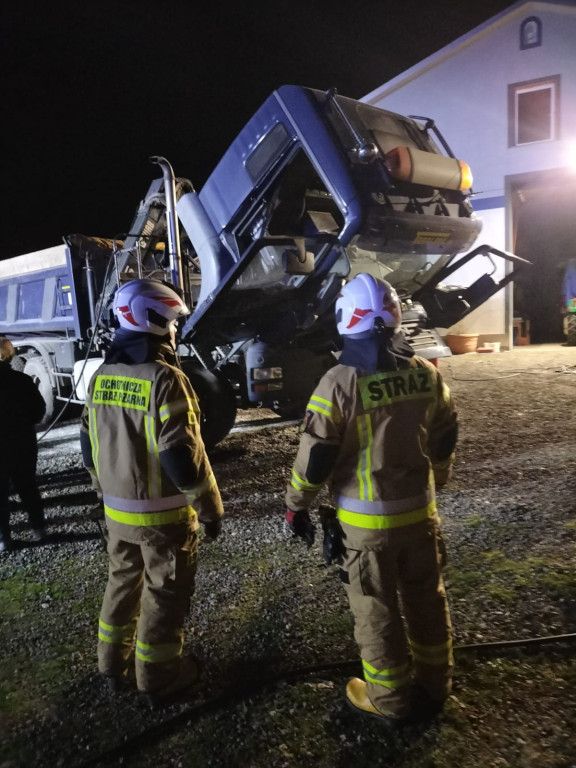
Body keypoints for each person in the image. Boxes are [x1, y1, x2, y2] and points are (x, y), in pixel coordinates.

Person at [285, 273, 457, 727]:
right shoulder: (425, 373)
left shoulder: (338, 382)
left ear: (347, 320)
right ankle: (438, 684)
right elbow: (445, 434)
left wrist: (296, 506)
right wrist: (439, 476)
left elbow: (316, 456)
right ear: (396, 319)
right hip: (421, 517)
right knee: (427, 601)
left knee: (376, 612)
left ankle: (391, 701)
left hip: (366, 531)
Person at [80, 278, 224, 708]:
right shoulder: (166, 378)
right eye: (172, 319)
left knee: (122, 584)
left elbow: (88, 445)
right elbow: (182, 456)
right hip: (163, 519)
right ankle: (158, 677)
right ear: (154, 319)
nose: (175, 328)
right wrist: (211, 508)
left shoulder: (102, 376)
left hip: (117, 515)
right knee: (165, 592)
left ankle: (111, 664)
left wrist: (100, 489)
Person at [0, 338, 47, 551]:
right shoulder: (23, 381)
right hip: (22, 444)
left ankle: (3, 539)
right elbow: (39, 411)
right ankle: (39, 530)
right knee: (28, 487)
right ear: (10, 355)